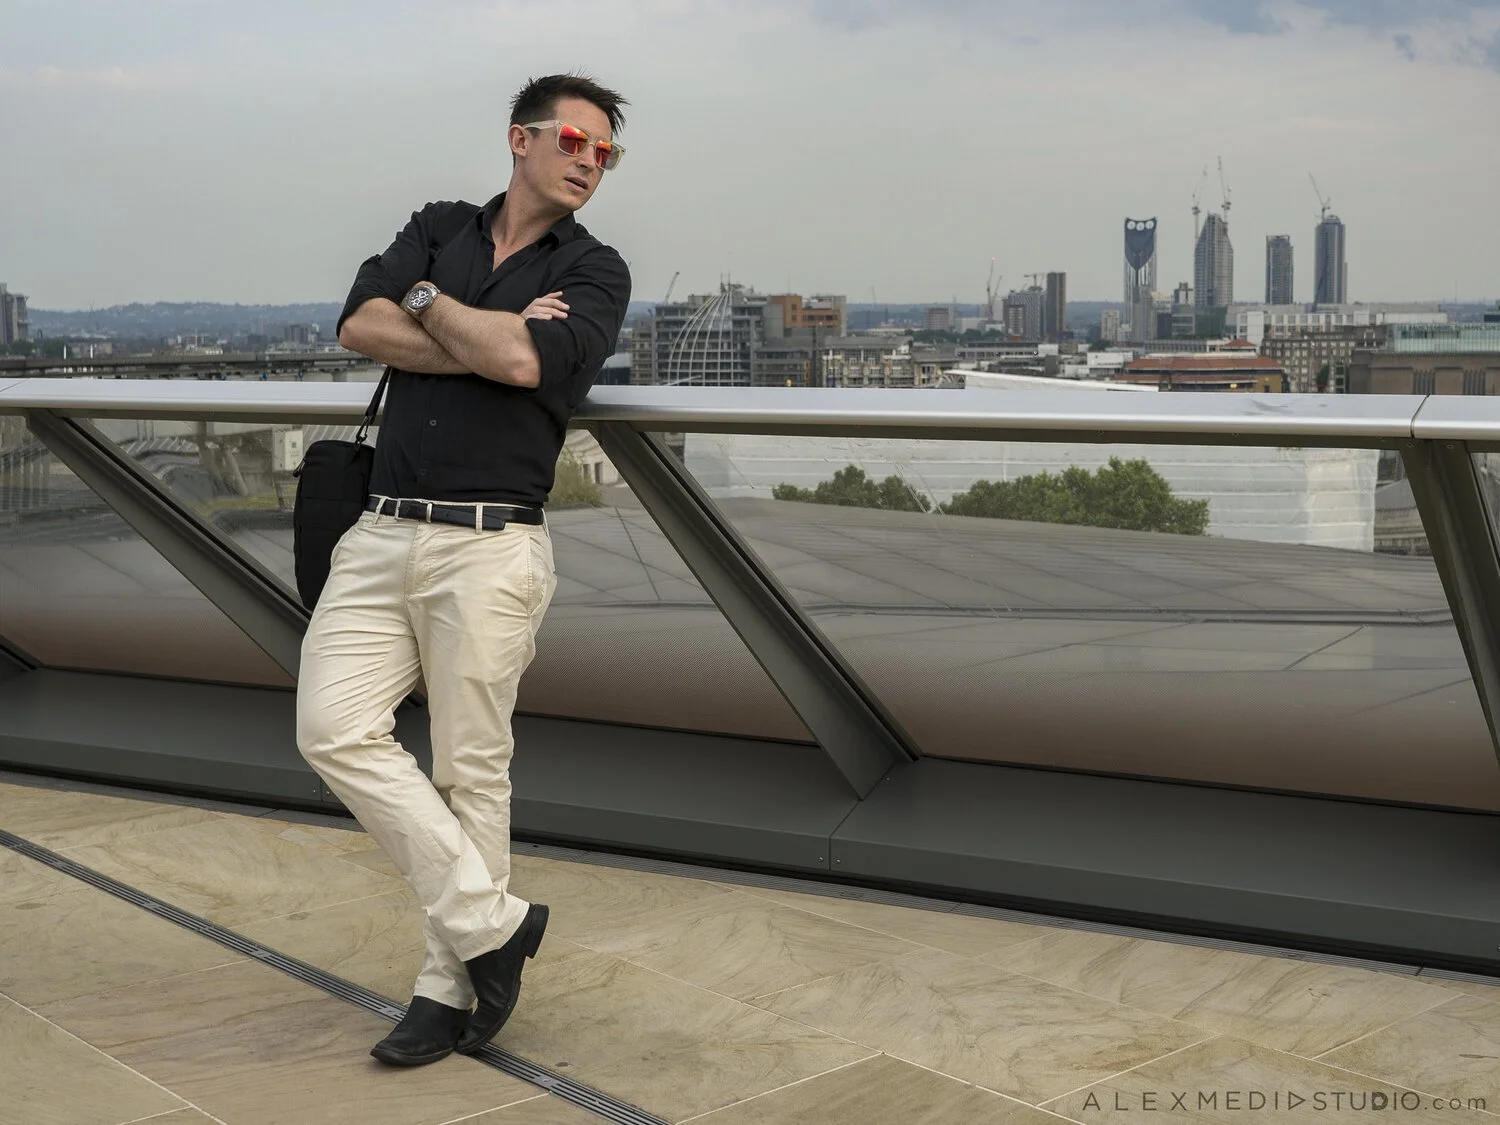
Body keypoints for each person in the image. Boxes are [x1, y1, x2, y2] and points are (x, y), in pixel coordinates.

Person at [296, 73, 631, 1067]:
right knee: (330, 728)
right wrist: (488, 331)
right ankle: (494, 925)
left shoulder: (597, 270)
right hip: (379, 530)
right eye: (574, 140)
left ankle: (447, 989)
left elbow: (529, 367)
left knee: (470, 770)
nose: (590, 162)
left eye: (606, 153)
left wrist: (430, 304)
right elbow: (359, 325)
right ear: (521, 139)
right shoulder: (440, 222)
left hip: (491, 545)